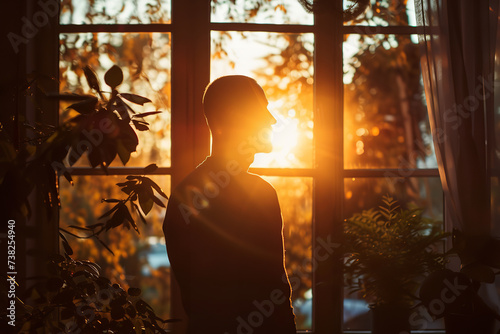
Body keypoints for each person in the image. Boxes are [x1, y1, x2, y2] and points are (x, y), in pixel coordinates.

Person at [163, 75, 296, 334]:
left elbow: (195, 299)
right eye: (262, 110)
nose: (272, 120)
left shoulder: (184, 195)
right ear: (235, 118)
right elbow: (275, 293)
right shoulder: (259, 193)